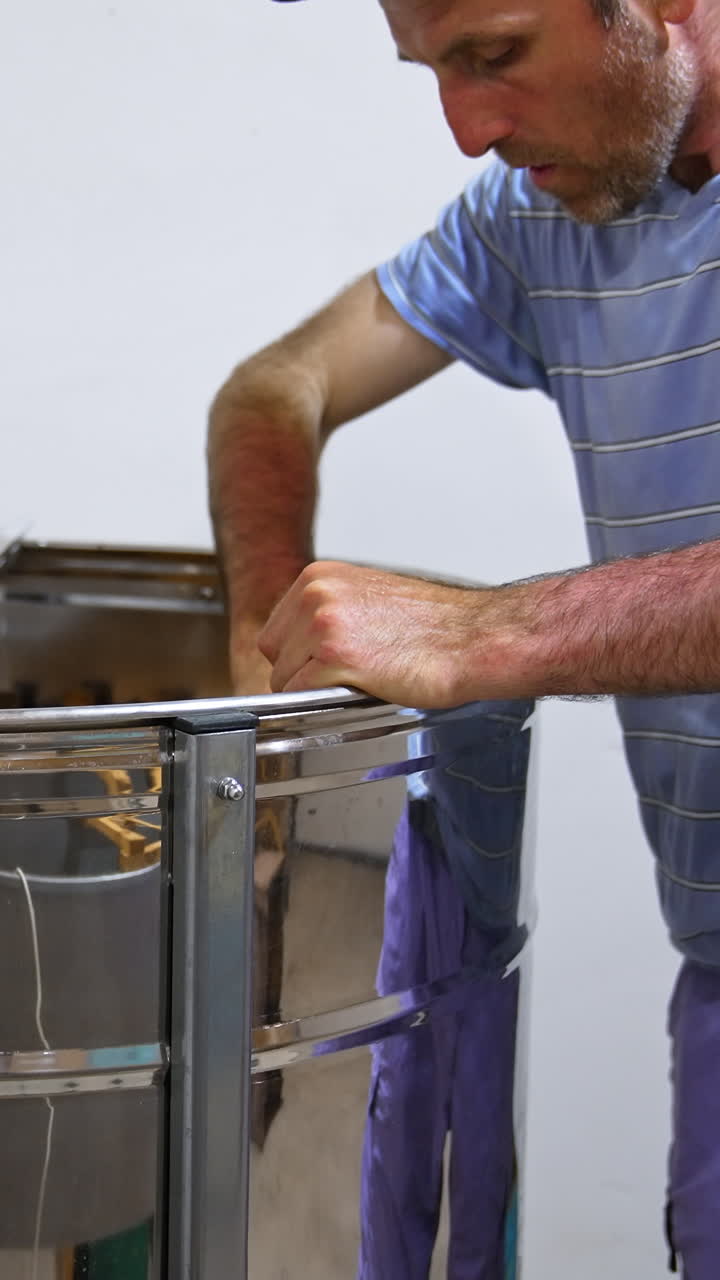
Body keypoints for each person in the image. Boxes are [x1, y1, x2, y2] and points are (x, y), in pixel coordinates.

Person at [208, 0, 720, 1274]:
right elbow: (278, 387)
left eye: (493, 55)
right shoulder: (543, 212)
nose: (467, 129)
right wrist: (259, 634)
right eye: (433, 69)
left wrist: (491, 633)